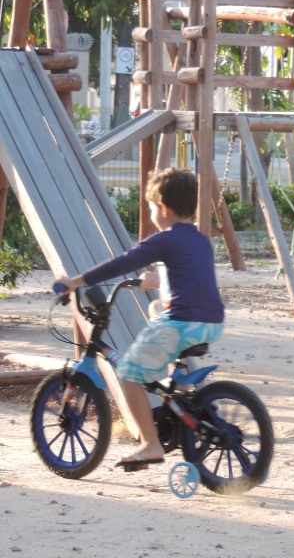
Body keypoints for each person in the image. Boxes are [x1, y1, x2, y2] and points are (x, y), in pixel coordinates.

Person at [55, 168, 224, 469]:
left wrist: (75, 281)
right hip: (210, 322)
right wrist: (160, 279)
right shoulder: (200, 239)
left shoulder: (165, 239)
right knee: (156, 310)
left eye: (150, 207)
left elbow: (123, 262)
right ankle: (186, 395)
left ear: (163, 208)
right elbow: (193, 275)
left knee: (128, 373)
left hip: (182, 323)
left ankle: (150, 444)